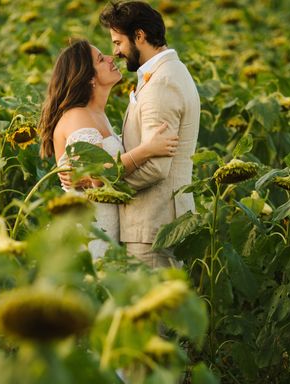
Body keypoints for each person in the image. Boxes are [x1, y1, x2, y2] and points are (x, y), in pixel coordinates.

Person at [38, 39, 179, 259]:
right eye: (101, 59)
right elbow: (98, 176)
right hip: (86, 230)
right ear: (89, 78)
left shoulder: (97, 115)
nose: (111, 58)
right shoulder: (77, 116)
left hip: (103, 227)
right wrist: (148, 149)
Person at [99, 1, 200, 268]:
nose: (116, 51)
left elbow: (155, 167)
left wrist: (106, 187)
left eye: (118, 42)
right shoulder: (166, 73)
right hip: (158, 221)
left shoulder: (161, 84)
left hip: (153, 226)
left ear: (140, 36)